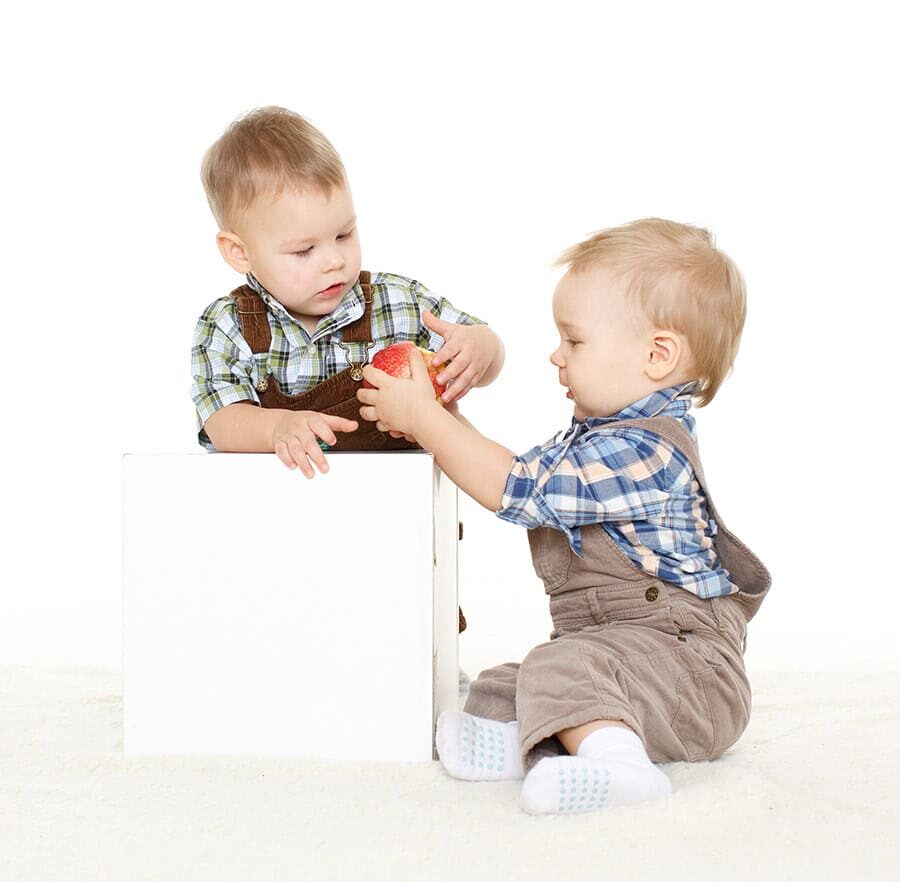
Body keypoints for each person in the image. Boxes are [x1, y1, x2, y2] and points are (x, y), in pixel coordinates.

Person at [357, 218, 771, 815]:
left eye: (574, 341)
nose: (556, 355)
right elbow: (514, 471)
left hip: (692, 680)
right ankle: (512, 747)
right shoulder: (593, 439)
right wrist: (441, 417)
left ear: (657, 355)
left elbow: (514, 489)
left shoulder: (647, 450)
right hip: (625, 655)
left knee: (564, 664)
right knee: (512, 676)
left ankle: (620, 767)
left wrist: (428, 422)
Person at [190, 106, 505, 478]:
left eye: (344, 234)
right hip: (278, 510)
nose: (334, 261)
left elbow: (485, 355)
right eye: (304, 250)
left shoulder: (398, 302)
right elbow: (221, 420)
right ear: (240, 252)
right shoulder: (227, 326)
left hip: (397, 506)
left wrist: (481, 350)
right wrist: (275, 428)